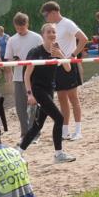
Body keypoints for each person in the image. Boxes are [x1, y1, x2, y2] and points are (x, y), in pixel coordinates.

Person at [18, 23, 76, 162]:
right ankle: (58, 154)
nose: (52, 34)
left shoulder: (57, 50)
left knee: (38, 125)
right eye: (49, 32)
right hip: (38, 90)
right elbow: (26, 75)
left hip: (50, 90)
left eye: (54, 32)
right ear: (43, 35)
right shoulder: (35, 52)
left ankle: (18, 152)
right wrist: (29, 94)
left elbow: (68, 68)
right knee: (59, 118)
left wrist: (60, 55)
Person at [40, 1, 89, 142]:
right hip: (58, 66)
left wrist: (73, 55)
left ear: (53, 12)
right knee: (61, 98)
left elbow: (83, 39)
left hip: (68, 63)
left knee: (73, 98)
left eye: (46, 15)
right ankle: (65, 130)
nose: (45, 18)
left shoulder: (67, 23)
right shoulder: (54, 27)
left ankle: (78, 130)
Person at [4, 12, 43, 140]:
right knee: (20, 108)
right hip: (18, 77)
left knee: (33, 106)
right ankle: (24, 133)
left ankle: (35, 133)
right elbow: (7, 60)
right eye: (17, 28)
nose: (20, 30)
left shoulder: (37, 38)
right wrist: (14, 61)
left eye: (22, 27)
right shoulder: (12, 39)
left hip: (35, 77)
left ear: (27, 24)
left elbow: (43, 56)